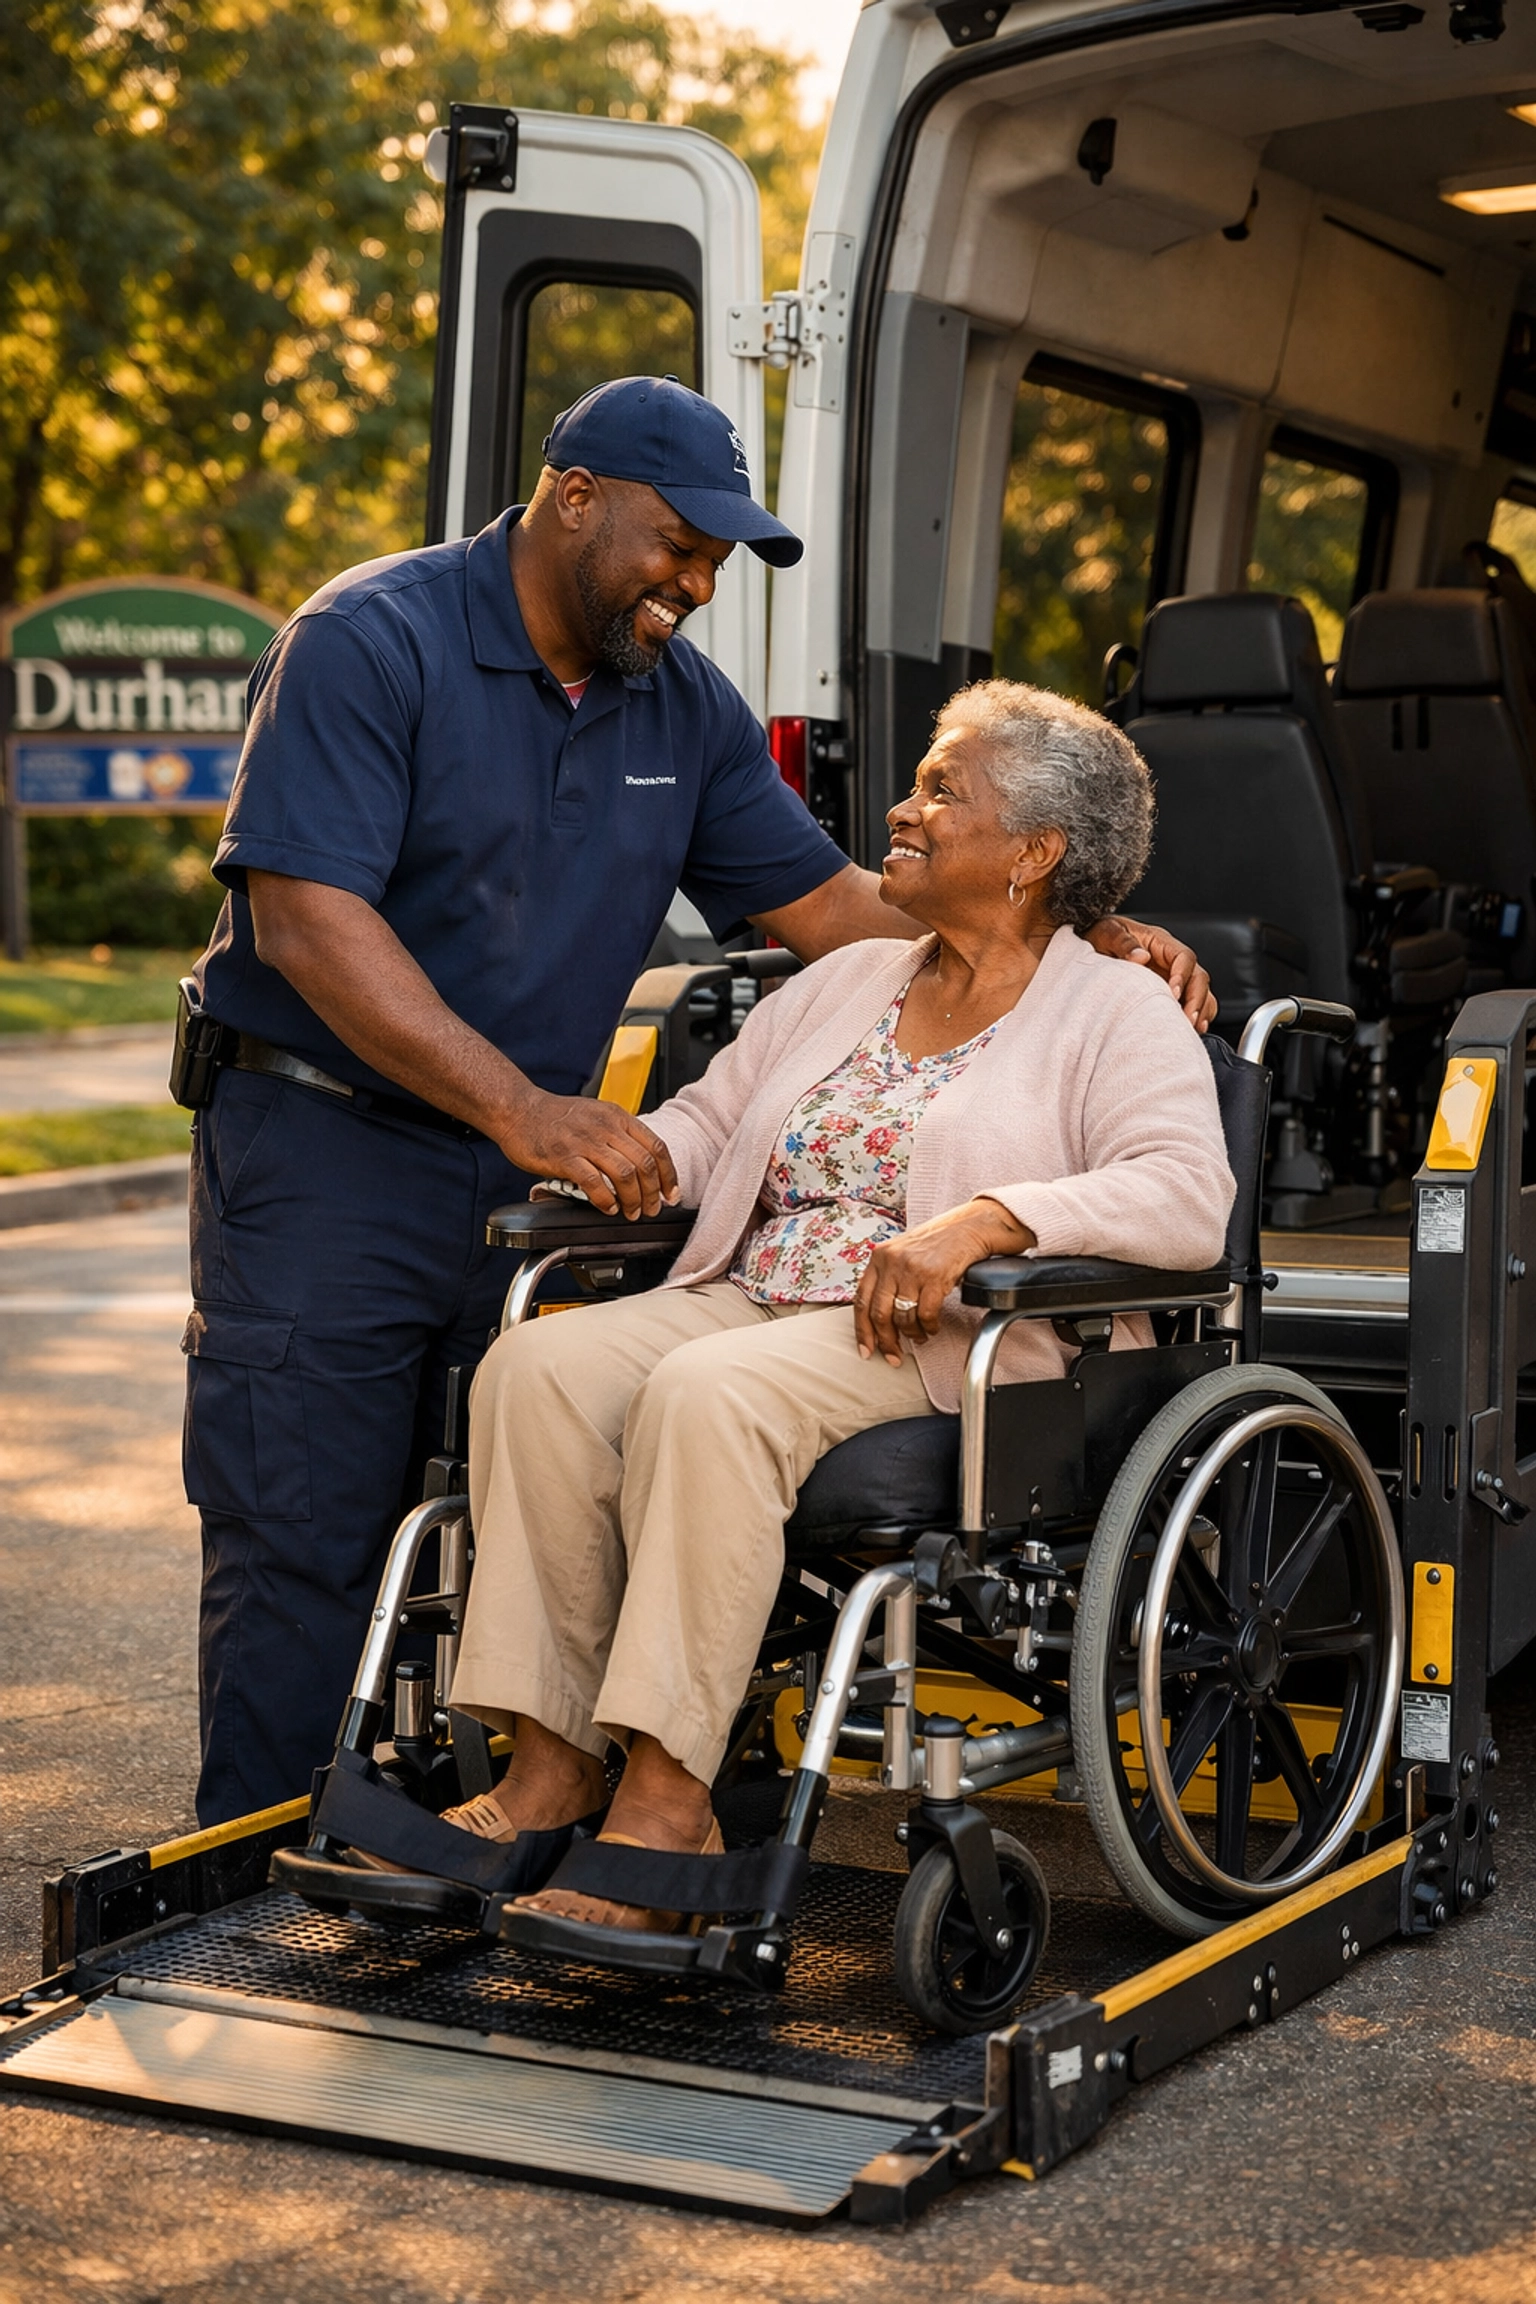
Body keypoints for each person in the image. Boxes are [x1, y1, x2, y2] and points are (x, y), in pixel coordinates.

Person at [185, 373, 1215, 1827]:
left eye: (719, 560)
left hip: (516, 1168)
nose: (697, 582)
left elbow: (833, 906)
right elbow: (302, 917)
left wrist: (1063, 933)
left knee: (505, 1454)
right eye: (680, 542)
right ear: (575, 497)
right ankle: (247, 1865)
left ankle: (540, 1796)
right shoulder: (372, 639)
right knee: (298, 1522)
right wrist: (526, 1113)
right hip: (324, 1148)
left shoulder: (682, 707)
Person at [334, 680, 1235, 1934]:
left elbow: (1186, 1194)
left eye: (942, 793)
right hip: (755, 1293)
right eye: (916, 782)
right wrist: (615, 1152)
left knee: (709, 1397)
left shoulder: (1116, 1009)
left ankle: (667, 1802)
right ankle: (547, 1774)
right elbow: (713, 1125)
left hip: (937, 1339)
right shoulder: (852, 978)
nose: (903, 811)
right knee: (535, 1368)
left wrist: (989, 1219)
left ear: (1036, 854)